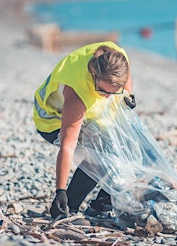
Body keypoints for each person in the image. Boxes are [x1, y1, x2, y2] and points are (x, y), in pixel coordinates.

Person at [33, 41, 136, 220]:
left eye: (114, 92)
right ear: (94, 76)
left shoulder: (117, 57)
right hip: (52, 120)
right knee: (98, 155)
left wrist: (128, 95)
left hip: (92, 115)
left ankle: (101, 207)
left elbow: (126, 81)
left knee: (124, 146)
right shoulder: (77, 93)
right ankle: (69, 206)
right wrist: (60, 191)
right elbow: (67, 147)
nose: (108, 97)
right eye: (103, 91)